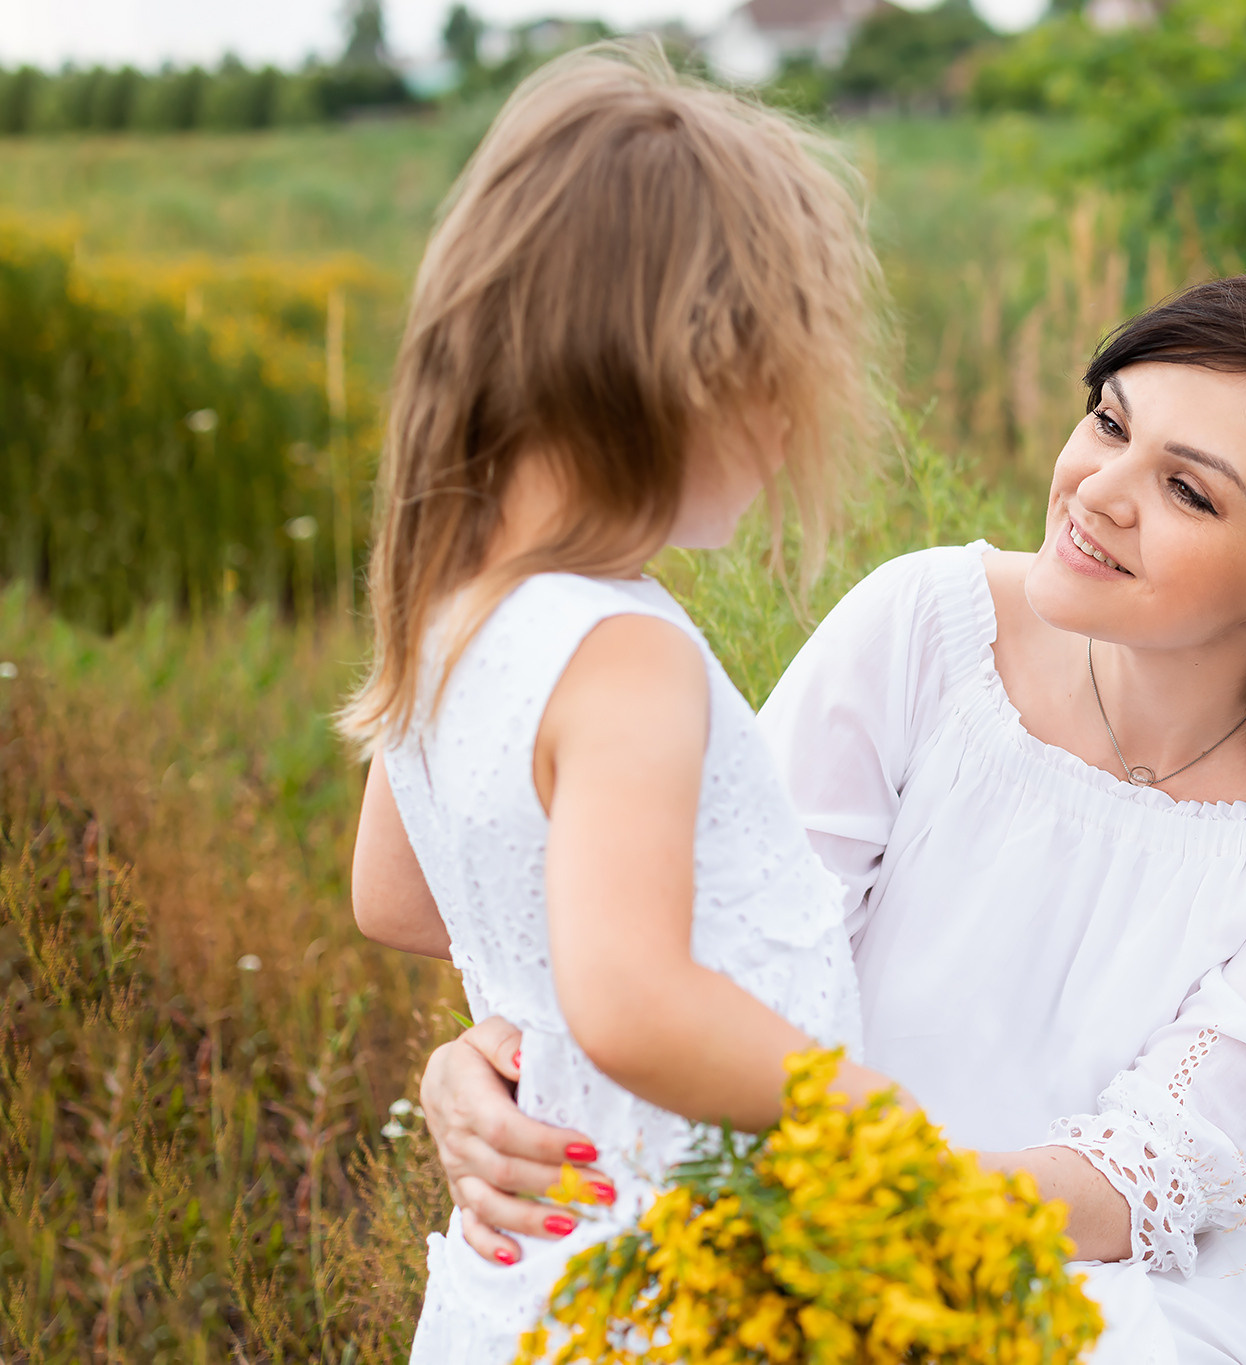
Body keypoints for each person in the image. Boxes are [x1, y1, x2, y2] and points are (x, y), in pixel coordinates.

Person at [415, 269, 1246, 1364]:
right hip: (809, 1193)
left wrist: (863, 1230)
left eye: (1186, 490)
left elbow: (1137, 1181)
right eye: (1108, 423)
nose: (1097, 492)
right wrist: (508, 1061)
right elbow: (714, 958)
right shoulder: (923, 627)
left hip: (1144, 1287)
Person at [342, 46, 907, 1363]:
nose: (790, 427)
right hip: (675, 1280)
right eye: (786, 371)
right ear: (685, 361)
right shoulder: (623, 651)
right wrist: (888, 1127)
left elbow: (398, 898)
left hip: (525, 1271)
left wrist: (523, 1008)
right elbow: (637, 1004)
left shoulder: (454, 605)